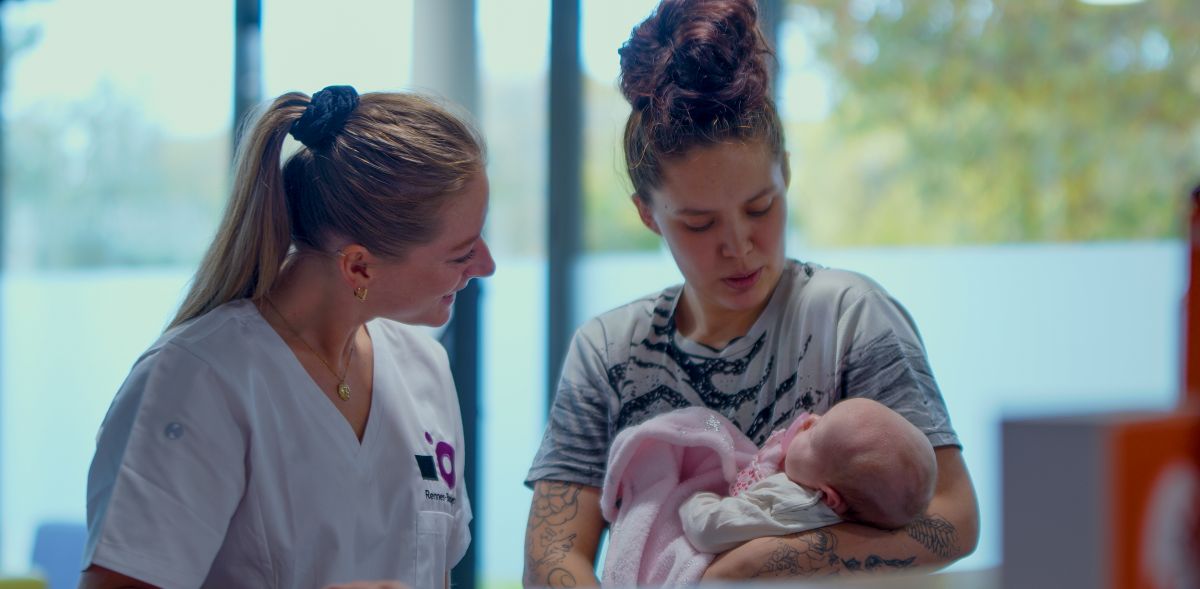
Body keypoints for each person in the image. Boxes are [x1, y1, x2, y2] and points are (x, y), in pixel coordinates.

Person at [522, 0, 979, 584]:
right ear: (646, 214)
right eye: (698, 223)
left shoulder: (848, 318)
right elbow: (553, 555)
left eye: (760, 208)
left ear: (785, 172)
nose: (739, 246)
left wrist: (757, 562)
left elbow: (954, 518)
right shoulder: (608, 351)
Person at [80, 85, 495, 589]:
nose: (487, 266)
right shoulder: (195, 380)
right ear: (359, 266)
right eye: (461, 253)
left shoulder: (423, 368)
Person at [680, 398, 938, 554]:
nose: (809, 419)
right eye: (821, 418)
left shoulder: (793, 502)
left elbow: (707, 528)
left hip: (696, 532)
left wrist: (696, 498)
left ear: (828, 497)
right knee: (712, 425)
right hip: (735, 466)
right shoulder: (809, 478)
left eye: (814, 433)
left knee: (705, 424)